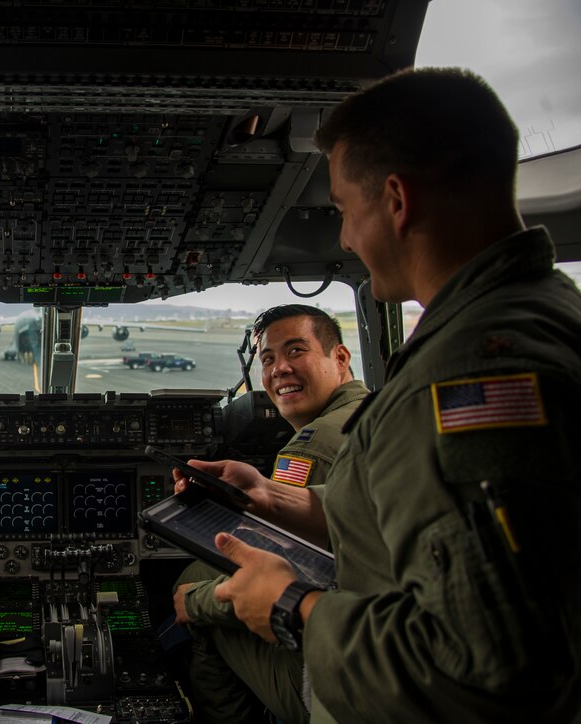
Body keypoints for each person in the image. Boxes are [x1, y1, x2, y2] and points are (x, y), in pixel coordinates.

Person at [177, 67, 581, 722]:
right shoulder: (543, 315)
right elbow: (406, 522)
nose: (342, 238)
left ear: (395, 200)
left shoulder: (468, 379)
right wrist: (276, 496)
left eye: (343, 210)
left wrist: (292, 605)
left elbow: (489, 672)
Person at [172, 305, 369, 723]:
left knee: (192, 588)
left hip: (343, 675)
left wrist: (196, 604)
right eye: (268, 359)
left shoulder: (312, 446)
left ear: (340, 358)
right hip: (366, 631)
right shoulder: (371, 413)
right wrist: (258, 493)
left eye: (296, 351)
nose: (280, 369)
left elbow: (291, 570)